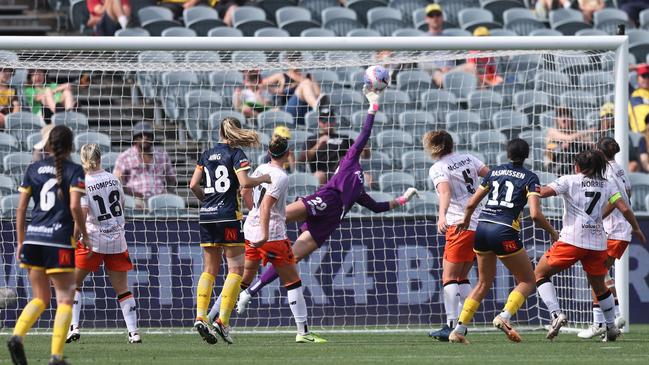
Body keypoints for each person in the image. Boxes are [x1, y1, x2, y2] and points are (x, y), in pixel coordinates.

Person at [209, 86, 418, 317]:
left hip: (329, 218)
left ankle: (250, 292)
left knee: (291, 257)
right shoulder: (351, 166)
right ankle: (252, 252)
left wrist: (402, 199)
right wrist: (372, 107)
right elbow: (365, 137)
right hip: (326, 201)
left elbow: (378, 206)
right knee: (280, 222)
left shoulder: (355, 177)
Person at [447, 139, 559, 344]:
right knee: (528, 280)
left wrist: (464, 219)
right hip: (504, 230)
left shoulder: (495, 172)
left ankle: (458, 329)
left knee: (482, 282)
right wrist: (552, 231)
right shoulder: (530, 177)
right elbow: (535, 214)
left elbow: (472, 202)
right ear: (527, 156)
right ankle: (504, 317)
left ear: (507, 154)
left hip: (482, 227)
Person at [536, 150, 646, 341]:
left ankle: (556, 314)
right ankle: (611, 326)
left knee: (539, 273)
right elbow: (623, 206)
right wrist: (636, 228)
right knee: (600, 286)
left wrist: (529, 187)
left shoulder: (569, 180)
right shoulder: (608, 184)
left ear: (577, 166)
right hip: (597, 243)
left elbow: (543, 193)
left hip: (571, 240)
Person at [7, 125, 89, 365]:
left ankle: (17, 337)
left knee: (40, 297)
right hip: (58, 240)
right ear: (71, 146)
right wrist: (85, 234)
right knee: (64, 298)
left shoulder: (33, 168)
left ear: (49, 146)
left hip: (33, 238)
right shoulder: (75, 170)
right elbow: (75, 207)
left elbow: (21, 208)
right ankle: (56, 356)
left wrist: (21, 241)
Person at [189, 117, 271, 345]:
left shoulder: (205, 155)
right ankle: (222, 320)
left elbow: (193, 185)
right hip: (228, 215)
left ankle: (200, 316)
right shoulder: (236, 155)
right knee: (236, 267)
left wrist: (207, 202)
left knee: (209, 269)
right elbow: (245, 182)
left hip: (206, 216)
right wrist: (263, 178)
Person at [241, 135, 326, 343]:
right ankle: (303, 333)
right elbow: (267, 206)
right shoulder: (280, 176)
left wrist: (252, 211)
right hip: (271, 236)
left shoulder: (261, 168)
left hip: (250, 230)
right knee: (293, 282)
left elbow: (244, 189)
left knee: (242, 278)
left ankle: (217, 318)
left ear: (269, 153)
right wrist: (265, 233)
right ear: (288, 154)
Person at [65, 144, 140, 345]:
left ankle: (74, 327)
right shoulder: (114, 179)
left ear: (82, 160)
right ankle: (134, 333)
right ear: (100, 158)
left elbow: (80, 216)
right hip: (116, 239)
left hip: (93, 240)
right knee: (123, 289)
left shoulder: (83, 183)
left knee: (72, 283)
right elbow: (122, 205)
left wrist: (73, 239)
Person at [424, 130, 490, 342]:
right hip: (479, 223)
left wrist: (441, 215)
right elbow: (490, 176)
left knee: (450, 277)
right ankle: (462, 323)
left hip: (459, 223)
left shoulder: (439, 167)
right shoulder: (468, 158)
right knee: (462, 276)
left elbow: (445, 192)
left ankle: (451, 324)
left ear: (433, 147)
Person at [578, 138, 633, 339]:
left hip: (614, 231)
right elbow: (628, 191)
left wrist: (598, 216)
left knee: (596, 276)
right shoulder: (618, 168)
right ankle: (616, 316)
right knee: (601, 275)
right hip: (618, 230)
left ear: (599, 151)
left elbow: (615, 200)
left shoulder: (607, 172)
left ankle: (599, 323)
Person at [113, 122, 177, 208]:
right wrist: (130, 193)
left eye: (148, 135)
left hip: (160, 198)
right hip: (136, 199)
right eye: (141, 136)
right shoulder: (124, 157)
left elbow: (171, 179)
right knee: (137, 205)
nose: (145, 138)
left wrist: (167, 190)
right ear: (135, 139)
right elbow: (116, 183)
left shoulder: (162, 155)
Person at [300, 106, 356, 184]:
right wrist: (318, 144)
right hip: (322, 173)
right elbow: (302, 159)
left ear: (334, 120)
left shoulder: (345, 138)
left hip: (341, 172)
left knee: (364, 176)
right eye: (324, 120)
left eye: (330, 119)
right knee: (319, 175)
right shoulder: (312, 139)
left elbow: (364, 155)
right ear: (319, 122)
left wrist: (364, 146)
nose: (328, 123)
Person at [545, 106, 592, 176]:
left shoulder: (578, 133)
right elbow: (568, 138)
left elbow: (591, 144)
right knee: (569, 144)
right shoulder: (552, 131)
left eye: (567, 116)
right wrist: (588, 131)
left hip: (575, 166)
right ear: (556, 119)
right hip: (555, 166)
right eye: (560, 116)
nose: (564, 119)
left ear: (572, 118)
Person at [629, 63, 649, 134]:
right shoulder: (631, 92)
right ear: (637, 78)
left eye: (648, 76)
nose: (646, 79)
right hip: (640, 136)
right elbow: (617, 72)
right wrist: (637, 67)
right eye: (644, 76)